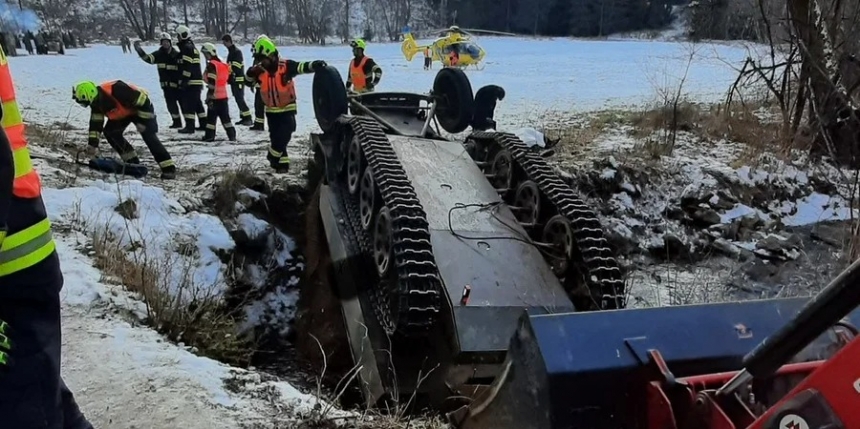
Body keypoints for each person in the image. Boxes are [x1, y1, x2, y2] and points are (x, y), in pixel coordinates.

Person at [0, 44, 94, 429]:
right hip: (19, 250)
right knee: (36, 386)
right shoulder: (102, 98)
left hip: (15, 263)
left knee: (25, 406)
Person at [245, 37, 326, 172]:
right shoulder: (259, 71)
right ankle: (282, 165)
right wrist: (250, 73)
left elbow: (301, 67)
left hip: (287, 108)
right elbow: (248, 83)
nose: (260, 62)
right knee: (276, 138)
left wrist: (314, 65)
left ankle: (272, 156)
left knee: (286, 133)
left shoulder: (286, 66)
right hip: (271, 112)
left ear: (270, 55)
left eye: (262, 58)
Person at [72, 80, 177, 179]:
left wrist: (143, 123)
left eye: (84, 102)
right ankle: (132, 163)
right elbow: (96, 124)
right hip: (123, 114)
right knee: (111, 133)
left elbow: (144, 102)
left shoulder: (117, 90)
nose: (84, 105)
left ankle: (168, 168)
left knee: (149, 136)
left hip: (141, 110)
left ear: (89, 95)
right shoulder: (95, 102)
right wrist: (93, 144)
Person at [134, 33, 185, 129]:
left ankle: (189, 124)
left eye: (167, 42)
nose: (165, 44)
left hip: (178, 85)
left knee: (183, 105)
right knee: (171, 105)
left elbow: (183, 69)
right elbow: (148, 59)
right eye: (163, 42)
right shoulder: (158, 54)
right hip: (166, 86)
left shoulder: (176, 54)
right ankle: (177, 122)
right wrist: (139, 50)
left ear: (170, 42)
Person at [200, 43, 236, 142]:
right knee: (226, 119)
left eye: (205, 54)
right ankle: (232, 136)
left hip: (215, 97)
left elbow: (212, 82)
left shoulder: (212, 65)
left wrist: (210, 97)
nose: (205, 56)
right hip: (223, 96)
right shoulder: (222, 64)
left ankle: (209, 137)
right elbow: (229, 78)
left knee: (211, 120)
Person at [175, 25, 207, 133]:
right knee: (198, 104)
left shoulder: (186, 48)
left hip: (191, 82)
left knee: (189, 105)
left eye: (178, 36)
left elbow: (187, 66)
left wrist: (184, 80)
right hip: (196, 81)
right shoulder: (192, 46)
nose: (177, 38)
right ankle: (203, 123)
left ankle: (190, 127)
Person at [220, 34, 253, 126]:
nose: (224, 45)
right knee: (238, 98)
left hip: (238, 80)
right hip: (233, 80)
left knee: (240, 99)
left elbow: (236, 66)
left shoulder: (236, 52)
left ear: (228, 41)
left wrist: (229, 70)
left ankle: (248, 118)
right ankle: (243, 117)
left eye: (224, 43)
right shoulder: (231, 52)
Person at [248, 35, 267, 131]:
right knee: (258, 106)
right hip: (260, 85)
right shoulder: (260, 57)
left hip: (263, 86)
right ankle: (259, 124)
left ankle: (259, 125)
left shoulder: (262, 58)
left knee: (259, 105)